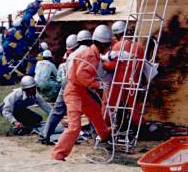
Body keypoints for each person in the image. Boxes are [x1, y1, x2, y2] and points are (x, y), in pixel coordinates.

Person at [52, 25, 112, 161]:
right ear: (102, 44)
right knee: (75, 126)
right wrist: (98, 84)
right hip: (73, 92)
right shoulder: (90, 55)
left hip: (81, 91)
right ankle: (58, 154)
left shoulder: (92, 54)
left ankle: (105, 135)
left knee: (96, 112)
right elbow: (81, 75)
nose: (109, 47)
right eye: (108, 45)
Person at [39, 34, 79, 145]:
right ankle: (98, 136)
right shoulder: (80, 53)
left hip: (65, 84)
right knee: (85, 111)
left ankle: (45, 135)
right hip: (75, 84)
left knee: (57, 111)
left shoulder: (67, 55)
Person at [102, 21, 144, 126]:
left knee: (108, 103)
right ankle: (139, 125)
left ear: (117, 34)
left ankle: (105, 126)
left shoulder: (117, 46)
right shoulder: (138, 46)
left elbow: (111, 65)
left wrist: (103, 64)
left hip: (119, 80)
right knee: (133, 105)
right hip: (133, 80)